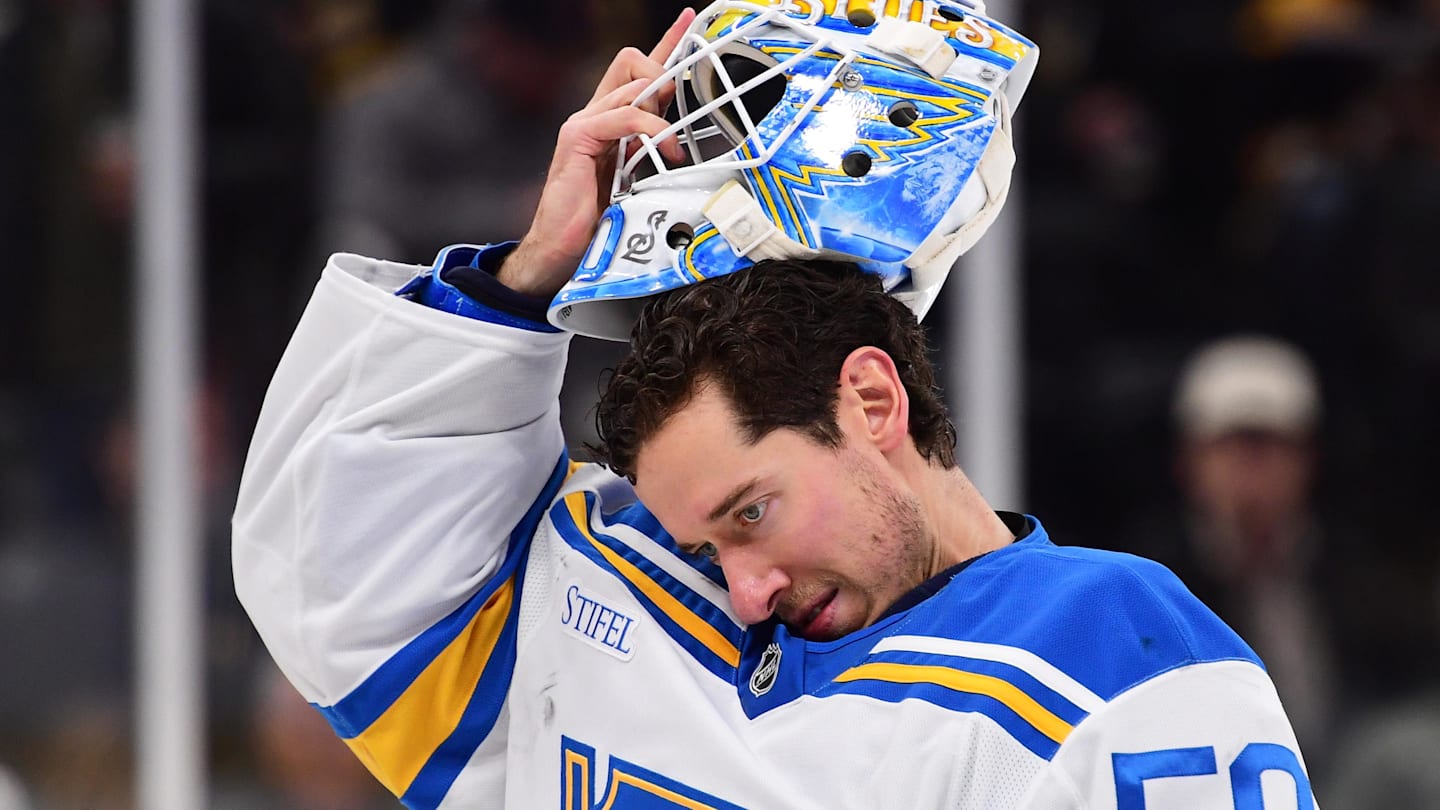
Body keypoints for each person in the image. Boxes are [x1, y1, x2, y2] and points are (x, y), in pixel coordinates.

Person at [234, 2, 1315, 807]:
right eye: (708, 539)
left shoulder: (1110, 649)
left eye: (751, 512)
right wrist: (517, 285)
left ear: (873, 400)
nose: (743, 589)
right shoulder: (620, 593)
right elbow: (331, 582)